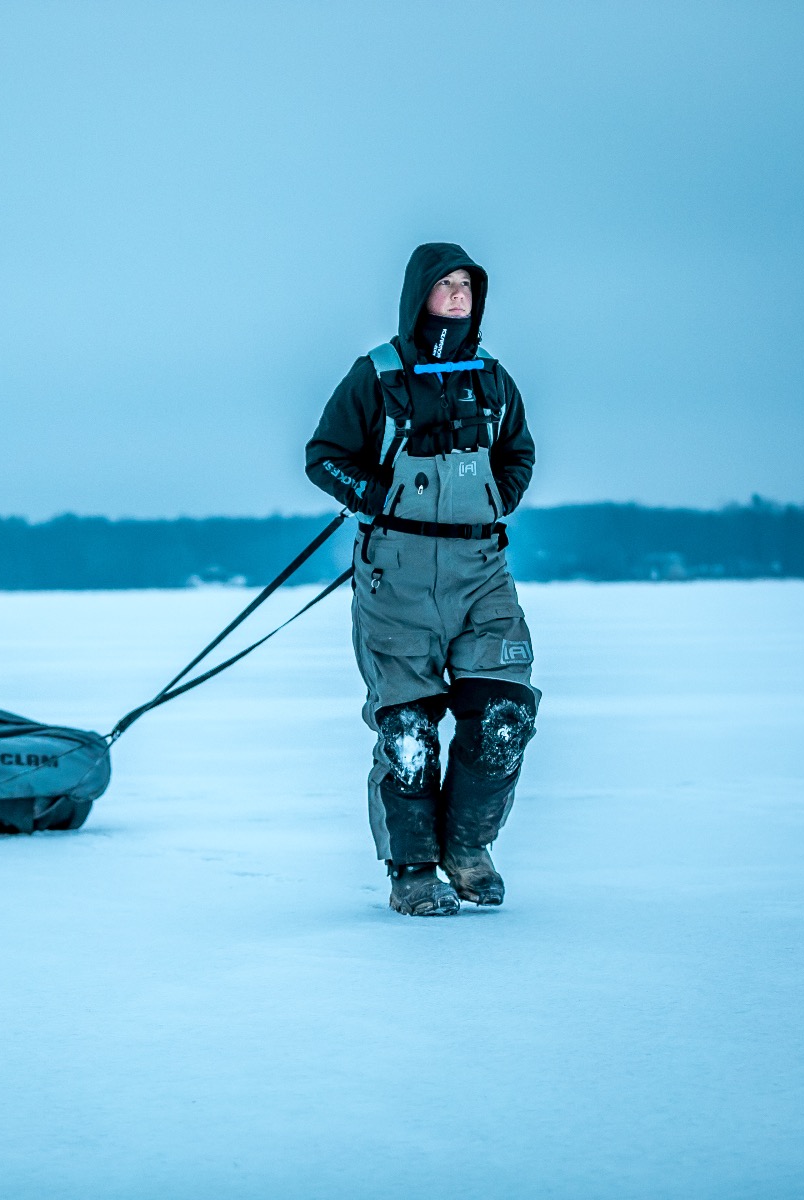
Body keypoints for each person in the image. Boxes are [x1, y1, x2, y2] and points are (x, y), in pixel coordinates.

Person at [305, 243, 540, 916]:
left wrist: (498, 495)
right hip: (397, 579)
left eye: (468, 284)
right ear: (419, 295)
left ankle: (468, 852)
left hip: (481, 573)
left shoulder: (493, 379)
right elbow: (324, 457)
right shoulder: (376, 376)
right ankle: (411, 871)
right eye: (447, 284)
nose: (459, 295)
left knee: (500, 714)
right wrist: (375, 494)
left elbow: (518, 453)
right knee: (407, 731)